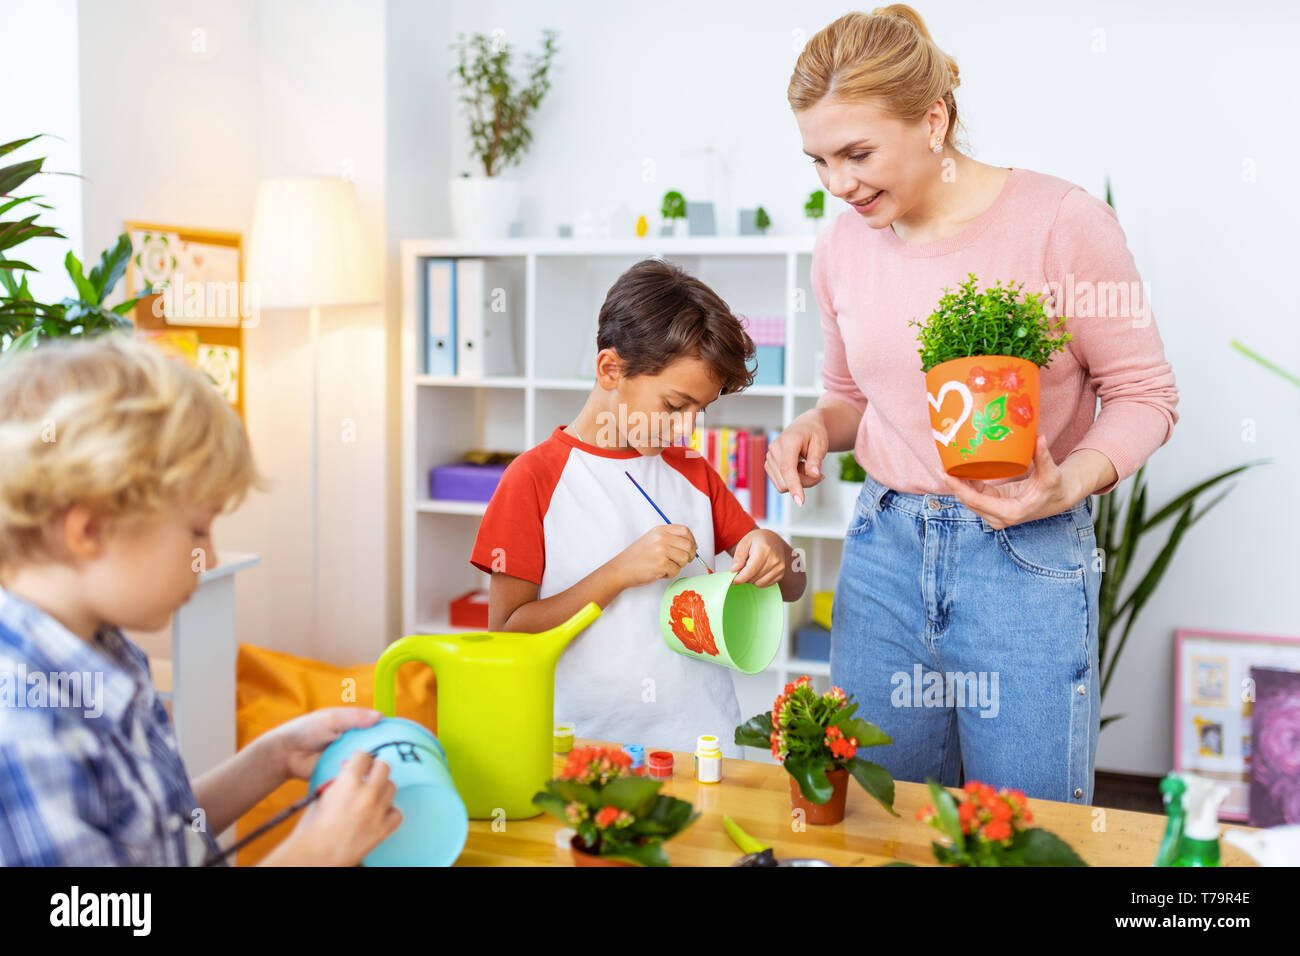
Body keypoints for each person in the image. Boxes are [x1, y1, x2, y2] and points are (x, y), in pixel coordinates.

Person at [767, 6, 1178, 803]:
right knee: (880, 820)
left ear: (932, 120)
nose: (839, 183)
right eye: (818, 160)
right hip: (884, 551)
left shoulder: (1061, 223)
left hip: (1025, 555)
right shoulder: (841, 245)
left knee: (1026, 829)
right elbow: (852, 396)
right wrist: (818, 426)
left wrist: (1071, 482)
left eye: (857, 153)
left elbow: (1144, 394)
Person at [0, 334, 399, 865]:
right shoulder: (22, 729)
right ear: (89, 529)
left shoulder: (106, 653)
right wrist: (316, 853)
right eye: (197, 530)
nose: (207, 559)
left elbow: (158, 839)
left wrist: (272, 757)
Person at [471, 258, 807, 757]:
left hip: (702, 745)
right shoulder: (533, 480)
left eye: (701, 411)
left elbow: (792, 586)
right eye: (674, 406)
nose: (686, 429)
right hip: (584, 751)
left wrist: (775, 550)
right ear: (611, 369)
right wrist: (618, 573)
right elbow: (507, 639)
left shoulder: (691, 470)